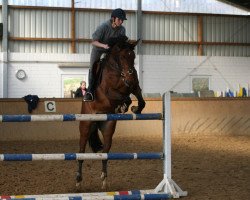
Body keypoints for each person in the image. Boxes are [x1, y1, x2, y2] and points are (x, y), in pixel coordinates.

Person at [83, 8, 127, 102]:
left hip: (110, 51)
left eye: (122, 20)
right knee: (93, 67)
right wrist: (104, 46)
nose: (121, 22)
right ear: (113, 18)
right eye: (119, 19)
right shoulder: (103, 27)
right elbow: (93, 42)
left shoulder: (122, 29)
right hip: (98, 50)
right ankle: (90, 91)